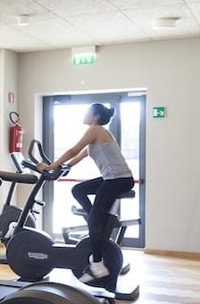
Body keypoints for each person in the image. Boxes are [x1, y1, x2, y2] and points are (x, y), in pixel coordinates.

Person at [37, 103, 134, 283]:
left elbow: (72, 150)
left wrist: (50, 166)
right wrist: (64, 168)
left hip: (117, 180)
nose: (84, 114)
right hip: (115, 179)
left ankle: (97, 265)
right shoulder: (96, 135)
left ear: (95, 116)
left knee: (94, 222)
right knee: (78, 190)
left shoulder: (95, 130)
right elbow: (79, 155)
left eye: (87, 112)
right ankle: (94, 217)